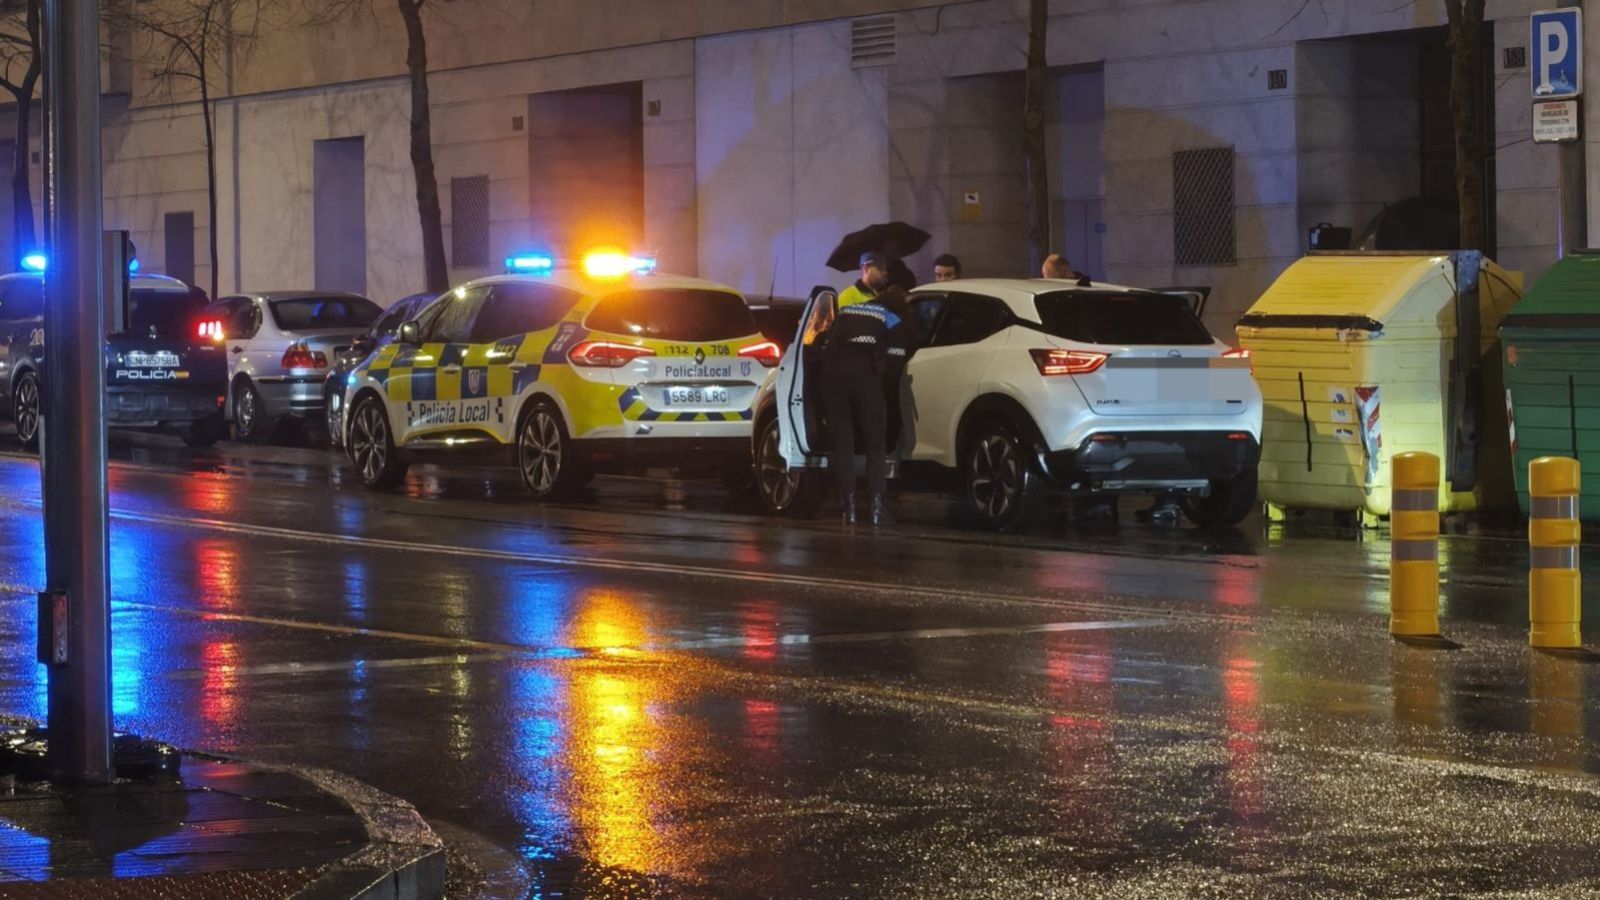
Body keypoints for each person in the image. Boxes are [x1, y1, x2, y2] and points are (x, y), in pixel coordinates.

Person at [820, 284, 911, 527]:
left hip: (834, 375)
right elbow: (895, 359)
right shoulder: (892, 317)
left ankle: (848, 509)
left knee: (843, 444)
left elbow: (829, 343)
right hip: (865, 375)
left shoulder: (848, 310)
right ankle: (876, 510)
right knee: (875, 443)